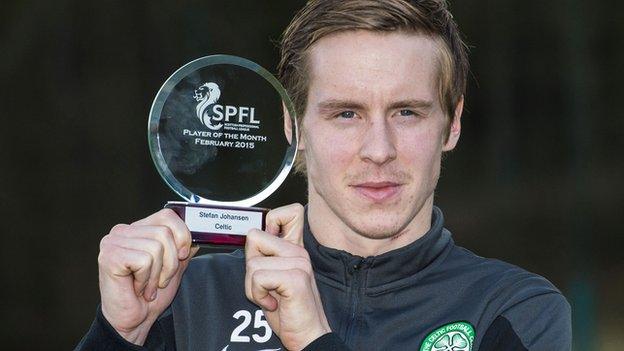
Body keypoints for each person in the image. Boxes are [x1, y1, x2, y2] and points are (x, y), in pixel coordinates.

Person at [76, 0, 571, 350]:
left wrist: (312, 339)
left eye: (407, 113)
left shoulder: (515, 310)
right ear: (294, 128)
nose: (379, 151)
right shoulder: (189, 297)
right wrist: (119, 336)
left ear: (453, 123)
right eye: (346, 114)